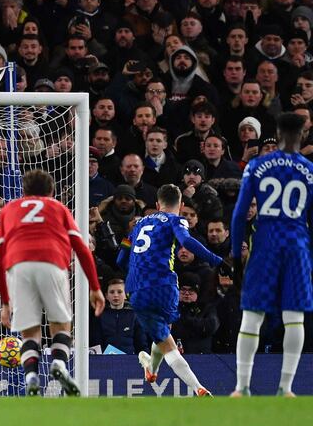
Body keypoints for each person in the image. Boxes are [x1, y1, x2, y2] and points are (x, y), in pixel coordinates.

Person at [0, 169, 105, 396]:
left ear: (24, 191)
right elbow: (82, 249)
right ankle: (59, 364)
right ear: (51, 191)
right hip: (52, 263)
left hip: (18, 266)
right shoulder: (58, 208)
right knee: (61, 326)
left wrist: (5, 302)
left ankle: (31, 377)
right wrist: (95, 287)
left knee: (30, 332)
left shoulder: (8, 210)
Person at [117, 184, 229, 397]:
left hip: (137, 288)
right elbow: (186, 241)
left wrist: (136, 274)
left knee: (163, 336)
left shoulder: (136, 226)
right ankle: (193, 386)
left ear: (157, 204)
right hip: (165, 286)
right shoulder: (176, 220)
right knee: (165, 336)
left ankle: (157, 371)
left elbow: (120, 259)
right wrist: (217, 261)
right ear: (181, 204)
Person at [229, 113, 313, 397]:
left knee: (252, 316)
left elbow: (239, 214)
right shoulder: (310, 169)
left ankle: (241, 387)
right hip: (297, 245)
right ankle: (286, 388)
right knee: (294, 318)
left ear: (277, 134)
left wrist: (236, 255)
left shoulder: (257, 166)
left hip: (265, 243)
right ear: (301, 135)